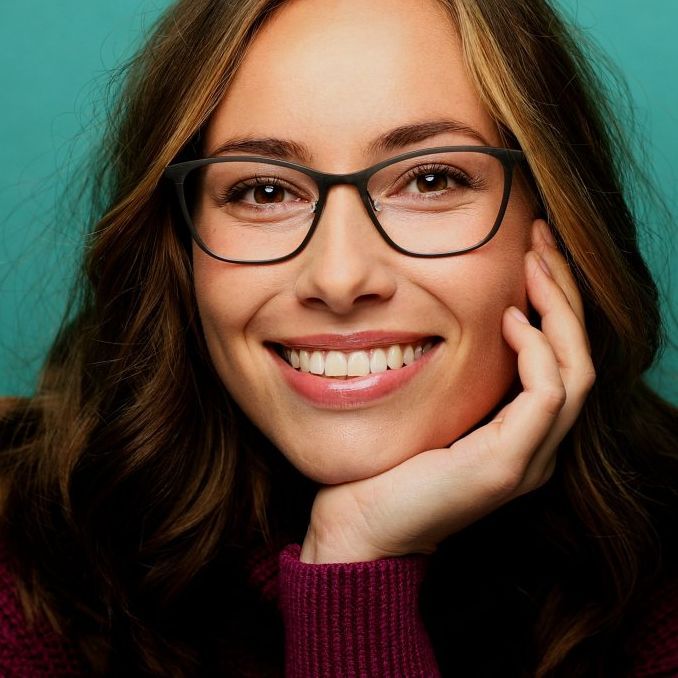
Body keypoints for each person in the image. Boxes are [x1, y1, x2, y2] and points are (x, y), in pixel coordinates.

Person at [0, 0, 676, 675]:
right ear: (178, 246)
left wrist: (355, 563)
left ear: (558, 219)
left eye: (431, 179)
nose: (340, 275)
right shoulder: (25, 571)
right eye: (264, 192)